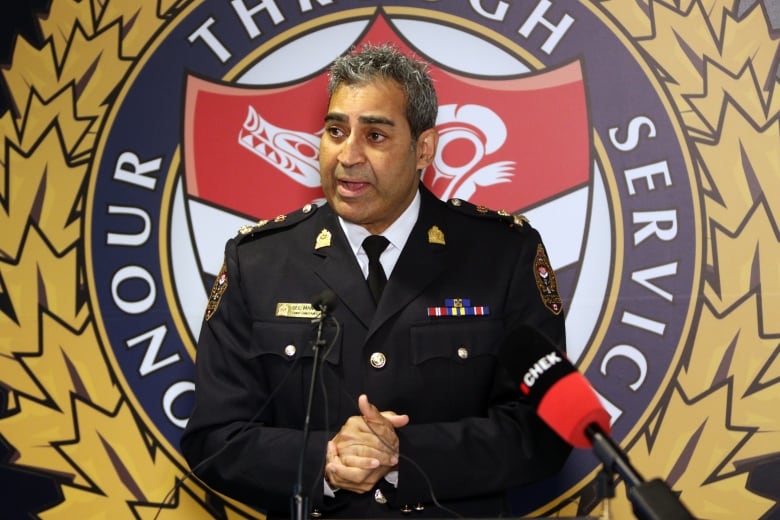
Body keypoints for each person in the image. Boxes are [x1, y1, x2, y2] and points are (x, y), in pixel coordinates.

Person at [180, 43, 571, 518]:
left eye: (376, 136)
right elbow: (214, 437)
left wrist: (401, 457)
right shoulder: (258, 261)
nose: (348, 155)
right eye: (335, 130)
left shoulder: (503, 255)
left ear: (423, 148)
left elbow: (545, 429)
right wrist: (323, 460)